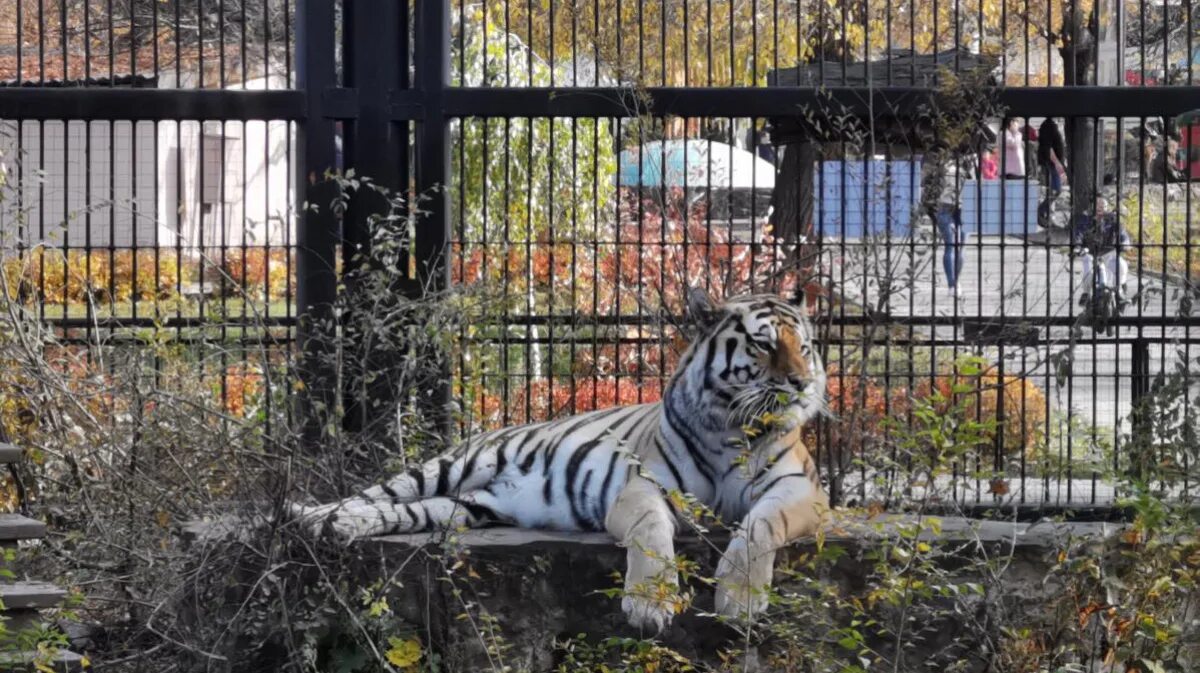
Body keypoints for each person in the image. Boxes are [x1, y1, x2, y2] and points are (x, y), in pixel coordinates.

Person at [921, 150, 975, 301]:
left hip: (944, 204)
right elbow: (977, 187)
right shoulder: (969, 165)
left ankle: (952, 285)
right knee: (961, 246)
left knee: (950, 246)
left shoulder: (940, 166)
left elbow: (926, 188)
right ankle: (956, 283)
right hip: (965, 205)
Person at [1073, 196, 1130, 332]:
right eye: (1098, 206)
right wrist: (1077, 246)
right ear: (1093, 207)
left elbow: (1123, 235)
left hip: (1109, 253)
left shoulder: (1113, 220)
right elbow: (1079, 234)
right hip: (1091, 253)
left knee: (1121, 265)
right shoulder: (1086, 220)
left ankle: (1120, 291)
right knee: (1087, 263)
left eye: (1103, 206)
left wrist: (1125, 243)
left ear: (1107, 208)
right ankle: (1086, 293)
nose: (1101, 209)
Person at [1037, 118, 1067, 225]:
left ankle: (1047, 216)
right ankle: (1041, 211)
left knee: (1053, 191)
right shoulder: (1050, 126)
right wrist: (1058, 164)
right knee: (1056, 190)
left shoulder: (1049, 125)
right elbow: (1048, 148)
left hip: (1052, 163)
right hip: (1052, 164)